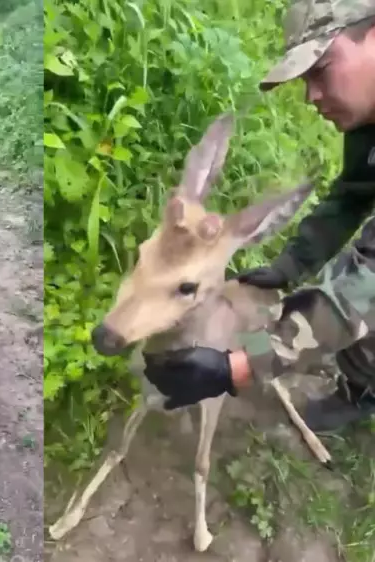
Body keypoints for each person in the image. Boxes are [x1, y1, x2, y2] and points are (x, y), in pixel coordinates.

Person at [144, 1, 375, 432]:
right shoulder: (369, 117)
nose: (311, 96)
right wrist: (290, 265)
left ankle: (363, 395)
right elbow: (352, 196)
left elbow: (365, 288)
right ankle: (363, 384)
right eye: (305, 79)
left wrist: (239, 365)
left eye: (320, 69)